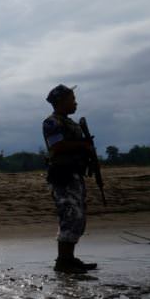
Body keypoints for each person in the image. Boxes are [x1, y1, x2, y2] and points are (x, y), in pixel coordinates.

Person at [43, 84, 97, 274]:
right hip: (63, 175)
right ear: (60, 102)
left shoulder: (70, 123)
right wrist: (83, 146)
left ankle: (69, 259)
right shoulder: (52, 122)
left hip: (75, 174)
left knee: (78, 217)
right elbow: (57, 147)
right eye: (71, 99)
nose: (75, 103)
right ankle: (63, 262)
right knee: (70, 216)